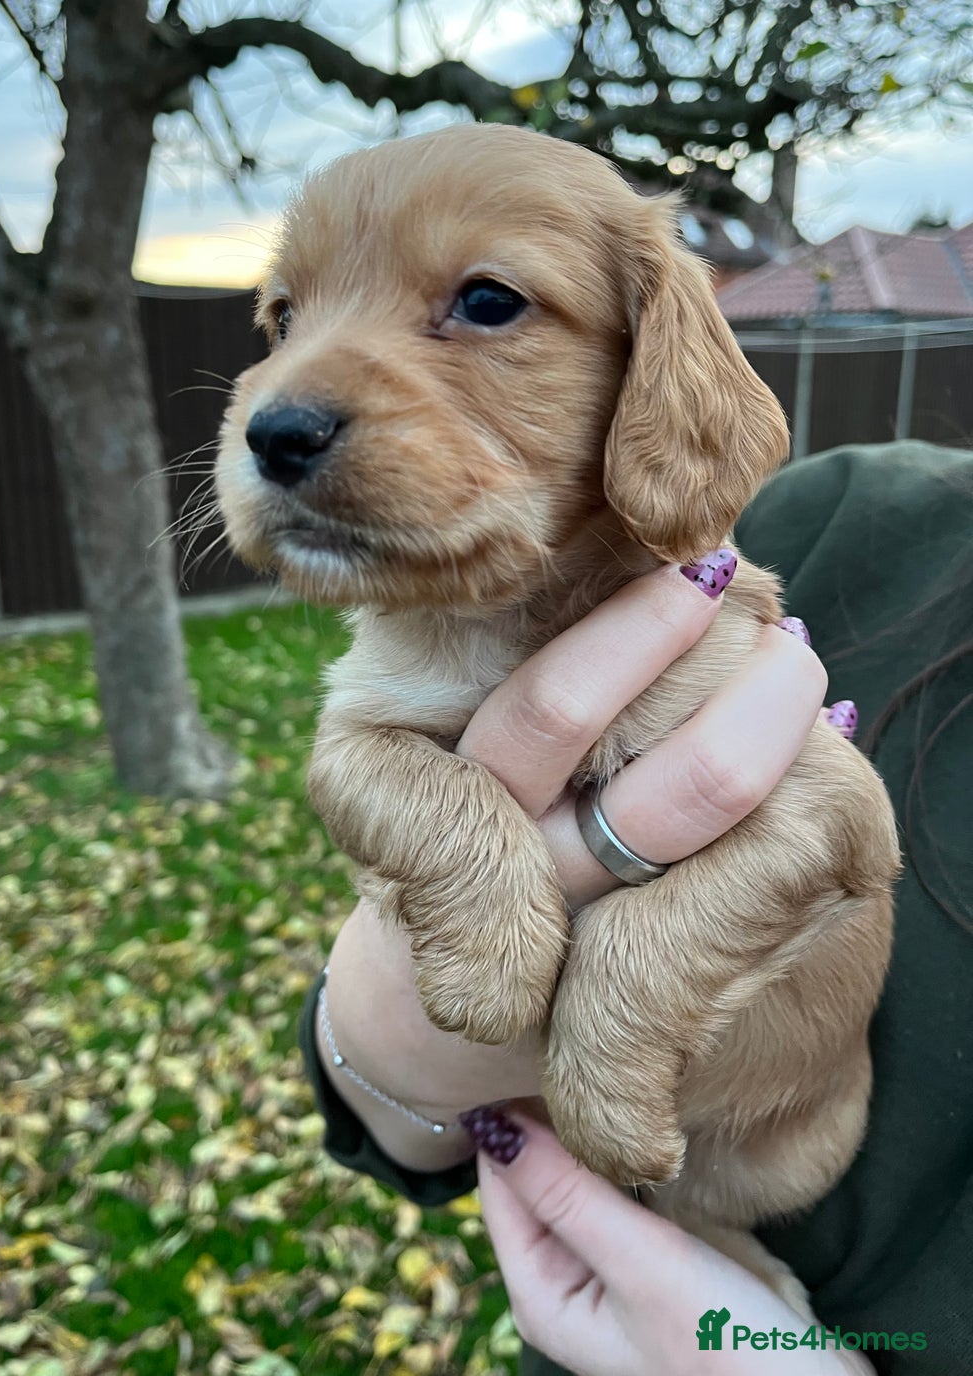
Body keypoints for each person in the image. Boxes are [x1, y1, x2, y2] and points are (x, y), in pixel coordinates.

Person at [298, 439, 973, 1375]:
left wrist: (623, 996)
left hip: (764, 1160)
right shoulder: (842, 514)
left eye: (488, 305)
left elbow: (847, 825)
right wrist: (379, 1037)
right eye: (281, 320)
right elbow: (354, 760)